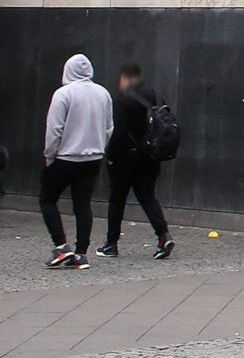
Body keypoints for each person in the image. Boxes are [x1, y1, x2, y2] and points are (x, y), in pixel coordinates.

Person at [41, 53, 112, 269]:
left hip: (66, 156)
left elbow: (54, 129)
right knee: (83, 204)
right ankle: (81, 253)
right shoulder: (103, 94)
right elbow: (109, 127)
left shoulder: (64, 94)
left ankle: (61, 246)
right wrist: (100, 146)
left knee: (48, 198)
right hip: (93, 158)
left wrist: (49, 155)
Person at [97, 63, 174, 260]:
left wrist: (111, 157)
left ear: (125, 78)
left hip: (126, 157)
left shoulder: (123, 100)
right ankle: (163, 236)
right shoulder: (155, 96)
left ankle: (111, 244)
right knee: (148, 197)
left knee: (117, 199)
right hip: (150, 157)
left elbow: (119, 132)